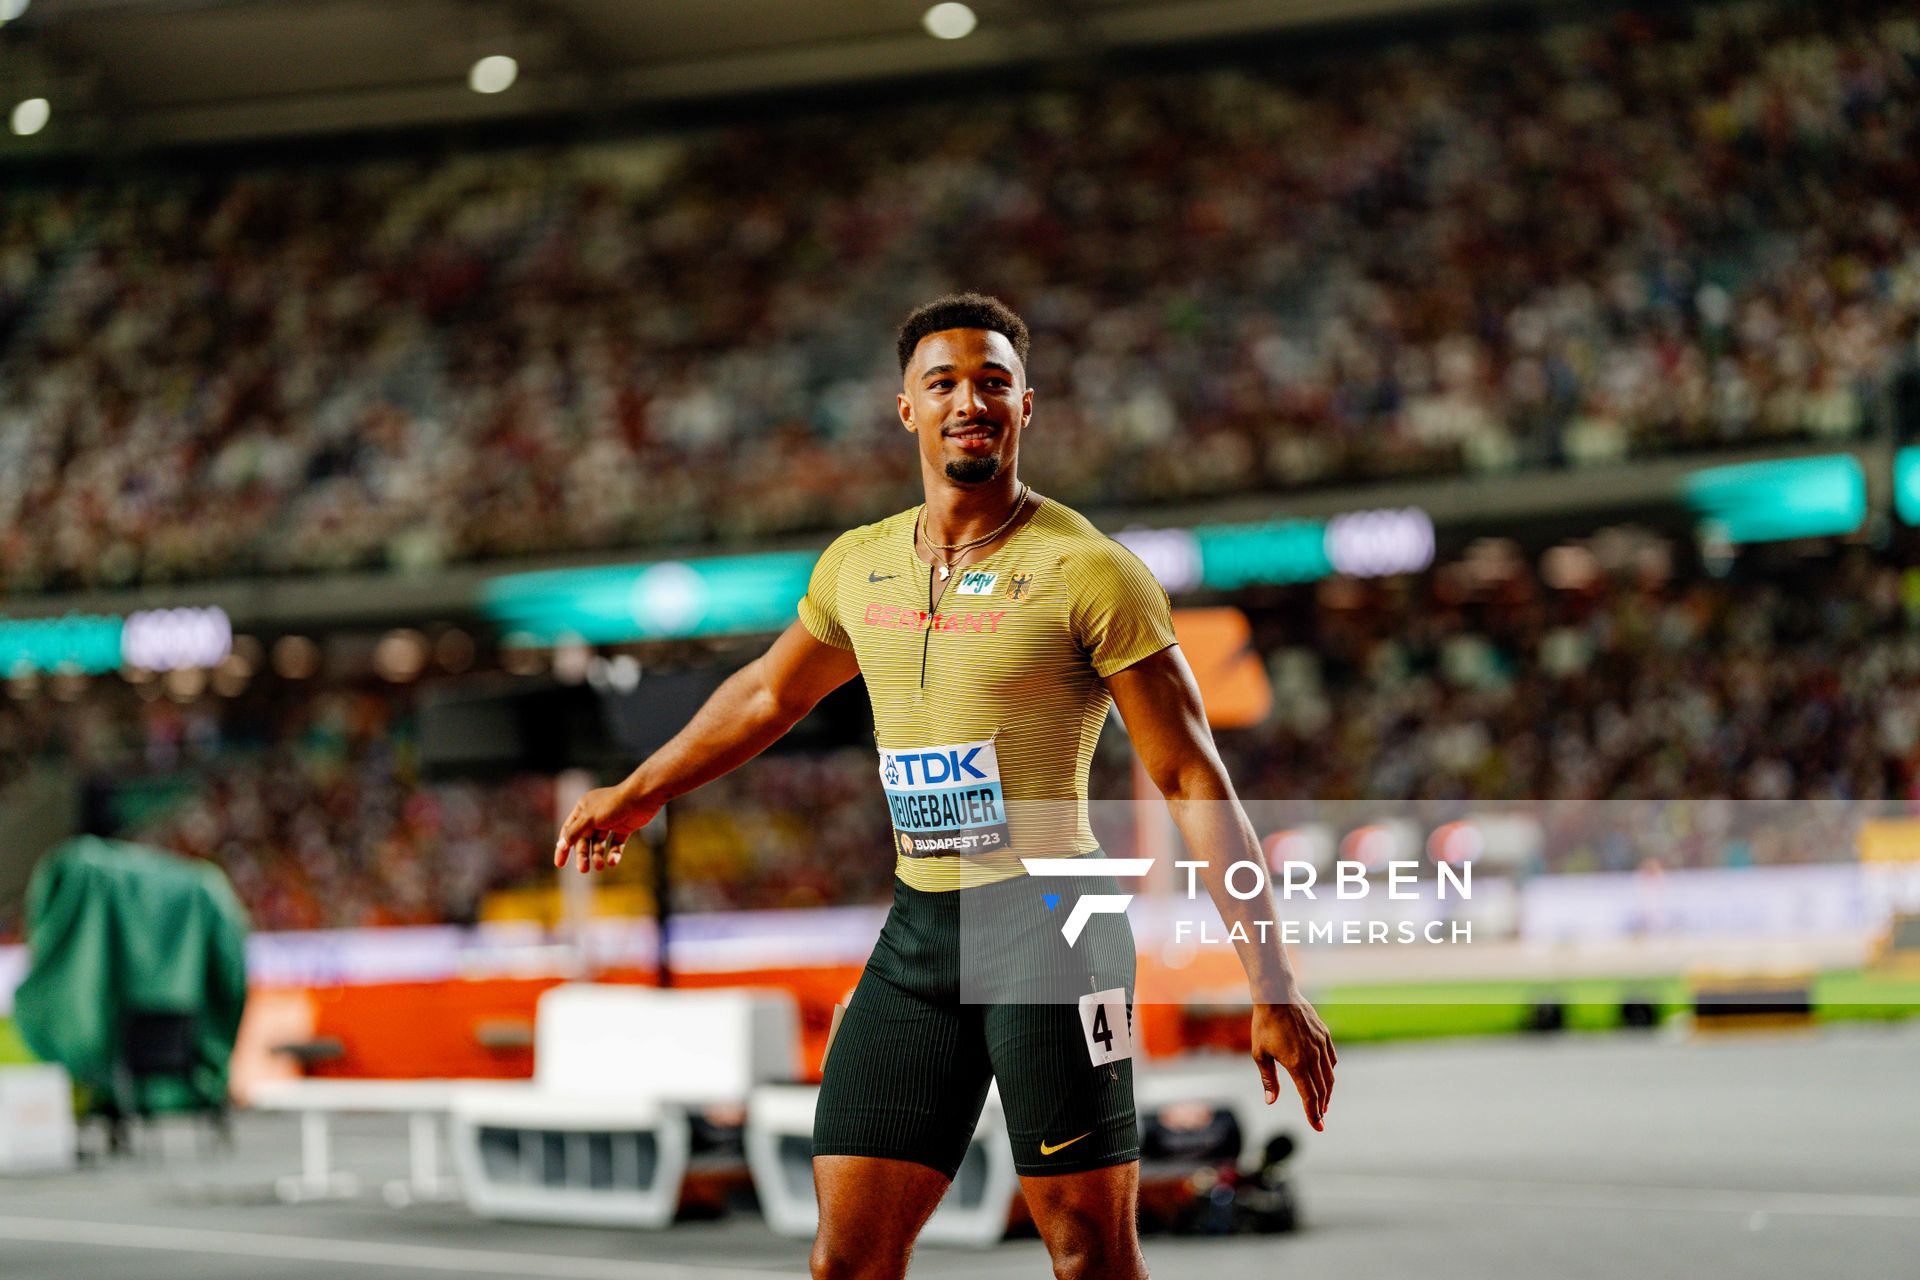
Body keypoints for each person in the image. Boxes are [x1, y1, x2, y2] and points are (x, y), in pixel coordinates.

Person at [557, 293, 1336, 1279]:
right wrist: (642, 787)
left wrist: (1273, 983)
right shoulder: (860, 564)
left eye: (993, 382)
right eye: (945, 383)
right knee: (848, 1258)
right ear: (908, 409)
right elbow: (765, 693)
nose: (971, 399)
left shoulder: (1089, 570)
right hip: (920, 936)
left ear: (1024, 406)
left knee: (1089, 1251)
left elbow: (1190, 773)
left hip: (1051, 934)